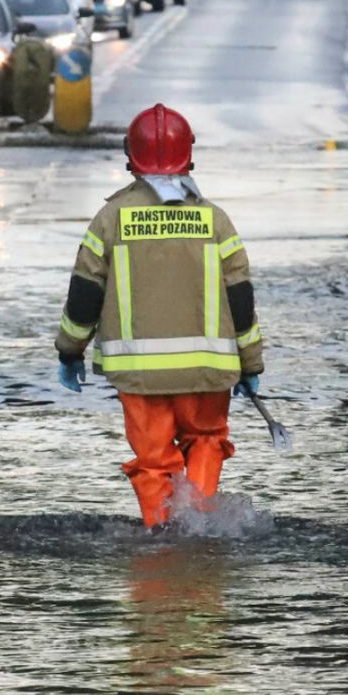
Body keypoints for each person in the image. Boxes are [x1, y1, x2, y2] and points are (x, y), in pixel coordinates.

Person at [53, 104, 266, 528]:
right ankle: (200, 528)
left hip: (140, 374)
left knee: (154, 462)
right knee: (205, 440)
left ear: (130, 157)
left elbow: (84, 295)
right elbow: (240, 298)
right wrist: (250, 362)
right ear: (189, 156)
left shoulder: (110, 220)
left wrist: (69, 351)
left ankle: (161, 536)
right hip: (208, 371)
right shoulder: (215, 221)